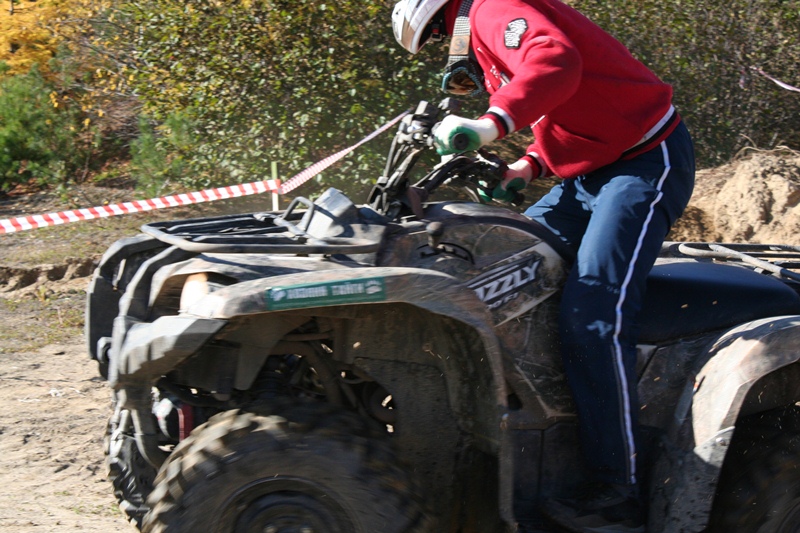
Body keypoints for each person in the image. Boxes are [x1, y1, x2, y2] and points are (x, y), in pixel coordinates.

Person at [392, 0, 696, 531]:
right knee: (515, 273)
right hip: (590, 174)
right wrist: (525, 167)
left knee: (593, 314)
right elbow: (565, 106)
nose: (446, 45)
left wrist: (489, 125)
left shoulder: (490, 8)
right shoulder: (484, 27)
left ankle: (618, 487)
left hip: (645, 164)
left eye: (438, 34)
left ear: (444, 14)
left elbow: (557, 63)